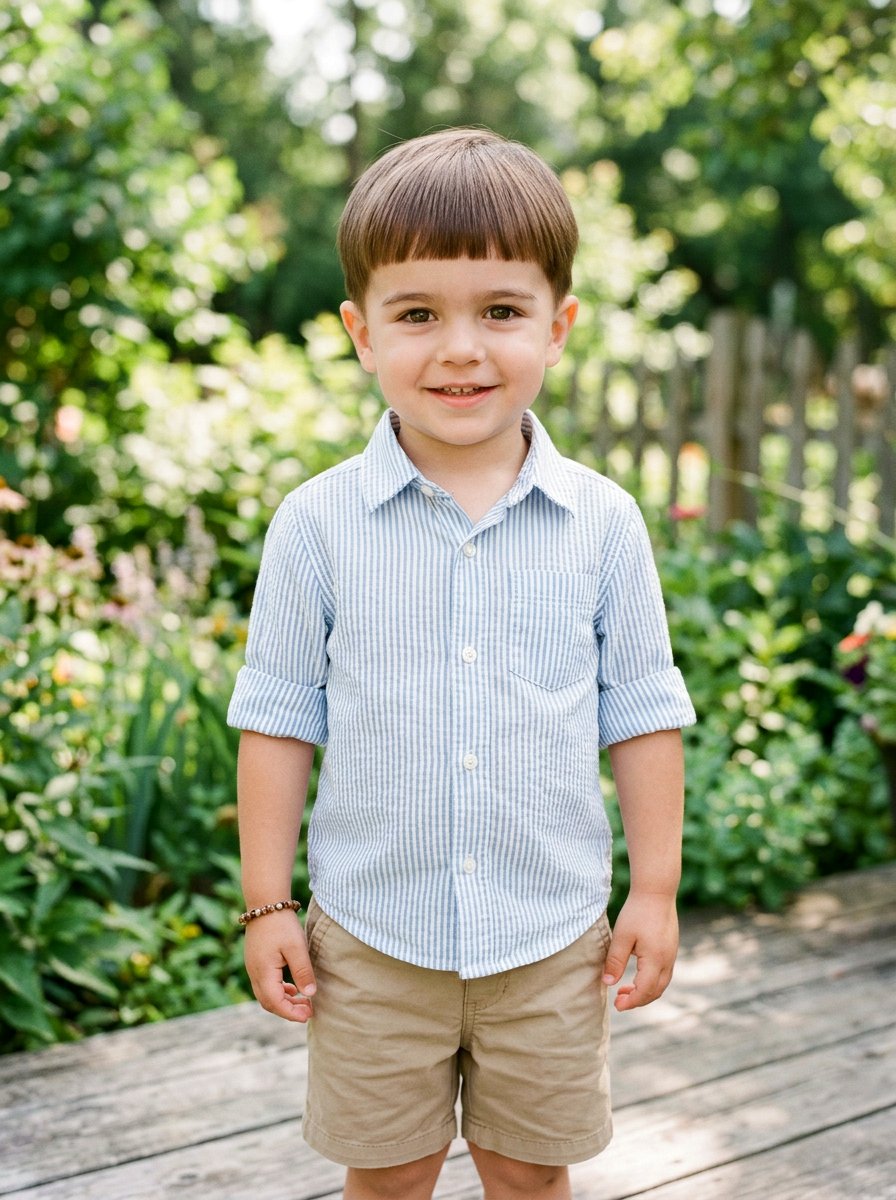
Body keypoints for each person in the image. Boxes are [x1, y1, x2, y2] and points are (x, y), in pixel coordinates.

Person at [228, 127, 696, 1200]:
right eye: (416, 315)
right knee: (385, 1179)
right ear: (360, 332)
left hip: (546, 939)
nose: (459, 349)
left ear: (557, 324)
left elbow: (640, 710)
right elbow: (278, 716)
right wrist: (266, 906)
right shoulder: (316, 525)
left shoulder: (603, 525)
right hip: (371, 941)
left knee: (529, 1175)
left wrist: (655, 890)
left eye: (498, 310)